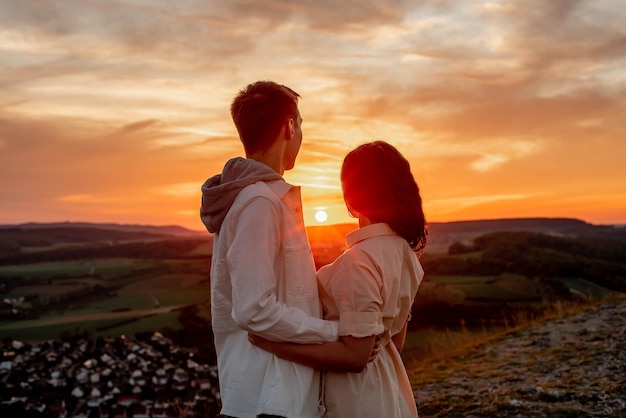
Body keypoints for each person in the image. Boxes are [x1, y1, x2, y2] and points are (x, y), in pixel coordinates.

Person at [250, 141, 427, 418]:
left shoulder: (361, 262)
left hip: (355, 399)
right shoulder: (406, 252)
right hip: (389, 389)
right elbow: (396, 342)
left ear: (352, 198)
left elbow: (355, 358)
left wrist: (273, 344)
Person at [200, 81, 340, 418]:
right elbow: (253, 309)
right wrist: (332, 332)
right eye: (301, 123)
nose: (302, 133)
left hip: (272, 397)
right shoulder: (259, 202)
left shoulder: (259, 198)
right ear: (289, 126)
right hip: (267, 401)